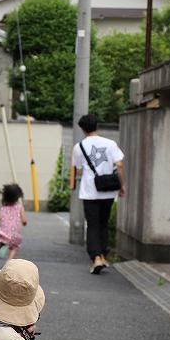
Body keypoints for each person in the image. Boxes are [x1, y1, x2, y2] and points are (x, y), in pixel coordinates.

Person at [72, 114, 126, 274]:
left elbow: (79, 170)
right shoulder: (110, 144)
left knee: (93, 225)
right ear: (98, 126)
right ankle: (102, 255)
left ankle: (96, 257)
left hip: (89, 192)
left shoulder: (78, 147)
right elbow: (119, 164)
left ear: (82, 129)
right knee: (103, 223)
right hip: (108, 191)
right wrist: (121, 185)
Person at [0, 184, 27, 261]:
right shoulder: (19, 207)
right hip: (14, 232)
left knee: (3, 241)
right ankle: (9, 260)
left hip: (4, 231)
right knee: (14, 247)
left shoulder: (3, 206)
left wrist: (0, 224)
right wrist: (24, 223)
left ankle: (3, 246)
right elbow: (24, 220)